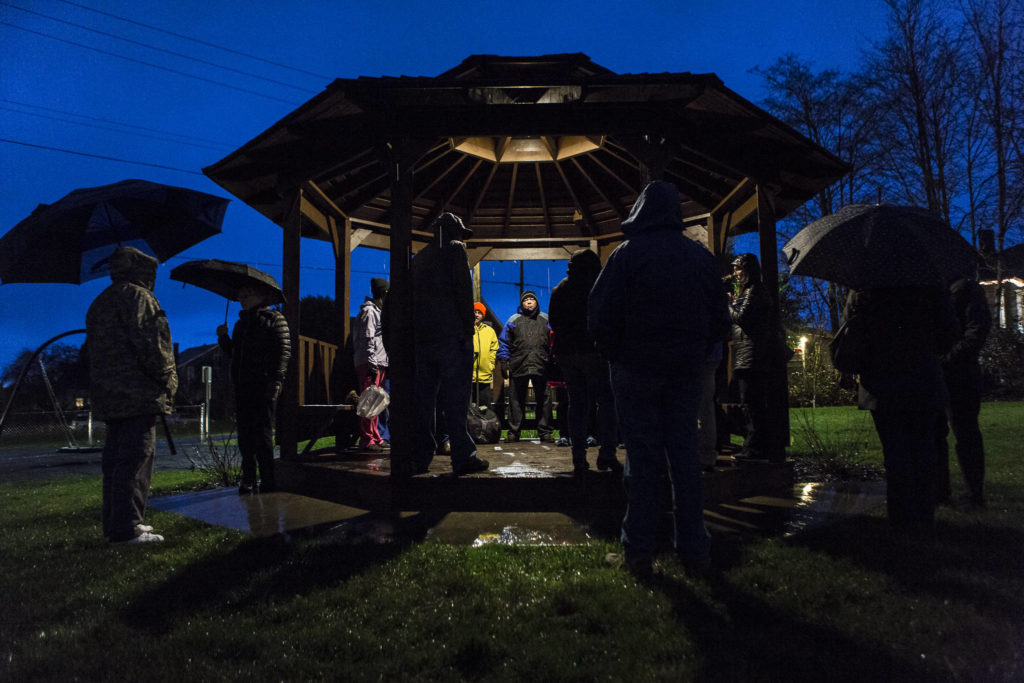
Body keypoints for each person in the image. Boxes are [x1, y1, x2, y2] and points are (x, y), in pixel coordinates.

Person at [589, 180, 730, 576]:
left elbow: (599, 315)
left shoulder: (627, 255)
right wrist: (697, 352)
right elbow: (722, 319)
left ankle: (639, 551)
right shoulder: (699, 258)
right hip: (685, 372)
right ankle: (694, 549)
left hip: (636, 370)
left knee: (643, 459)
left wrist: (615, 352)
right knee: (684, 456)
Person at [844, 286, 958, 531]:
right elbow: (949, 333)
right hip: (922, 377)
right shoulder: (929, 288)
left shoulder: (865, 288)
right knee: (924, 448)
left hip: (882, 381)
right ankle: (924, 515)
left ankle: (901, 517)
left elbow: (851, 330)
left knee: (895, 452)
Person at [86, 246, 177, 543]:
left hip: (110, 396)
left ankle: (117, 525)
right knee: (136, 460)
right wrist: (168, 381)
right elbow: (154, 346)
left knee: (114, 463)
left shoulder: (100, 302)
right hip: (138, 395)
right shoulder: (140, 298)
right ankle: (127, 530)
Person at [409, 213, 490, 475]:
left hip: (424, 340)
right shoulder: (455, 251)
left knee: (424, 403)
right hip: (451, 338)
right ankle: (462, 456)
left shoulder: (421, 256)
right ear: (453, 231)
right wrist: (467, 333)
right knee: (455, 401)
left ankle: (420, 456)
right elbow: (463, 291)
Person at [548, 248, 621, 475]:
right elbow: (607, 317)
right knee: (606, 402)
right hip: (593, 352)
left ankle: (579, 457)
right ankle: (607, 453)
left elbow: (554, 322)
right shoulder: (597, 286)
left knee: (576, 404)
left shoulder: (559, 289)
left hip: (567, 354)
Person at [217, 285, 291, 493]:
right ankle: (248, 477)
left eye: (247, 293)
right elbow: (236, 353)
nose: (242, 297)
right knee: (245, 435)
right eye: (241, 294)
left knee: (263, 433)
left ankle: (268, 479)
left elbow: (283, 351)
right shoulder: (241, 324)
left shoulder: (275, 319)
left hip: (263, 384)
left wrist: (276, 381)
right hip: (243, 385)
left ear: (260, 295)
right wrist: (224, 340)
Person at [938, 278, 991, 508]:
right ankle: (941, 491)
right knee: (937, 434)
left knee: (965, 433)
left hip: (959, 375)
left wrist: (948, 359)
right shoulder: (940, 289)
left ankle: (973, 494)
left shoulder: (965, 289)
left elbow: (976, 331)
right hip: (943, 372)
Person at [728, 253, 776, 462]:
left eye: (738, 269)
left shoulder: (755, 291)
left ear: (747, 270)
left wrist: (728, 305)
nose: (735, 273)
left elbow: (741, 317)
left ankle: (755, 449)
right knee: (750, 402)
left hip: (751, 356)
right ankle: (756, 446)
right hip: (750, 355)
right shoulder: (753, 292)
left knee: (751, 403)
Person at [497, 291, 554, 442]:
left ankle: (545, 432)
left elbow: (553, 340)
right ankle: (514, 432)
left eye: (532, 299)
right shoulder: (513, 320)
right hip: (519, 364)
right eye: (526, 300)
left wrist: (553, 360)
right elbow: (504, 342)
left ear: (536, 302)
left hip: (541, 364)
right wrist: (503, 360)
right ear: (521, 303)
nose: (529, 301)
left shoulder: (546, 319)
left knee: (545, 399)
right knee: (515, 400)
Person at [352, 278, 390, 452]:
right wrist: (372, 363)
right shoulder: (370, 311)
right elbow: (368, 338)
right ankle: (367, 439)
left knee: (376, 401)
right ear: (384, 293)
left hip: (379, 362)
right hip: (370, 362)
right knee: (368, 400)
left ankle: (375, 436)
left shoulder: (378, 311)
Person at [472, 302, 499, 408]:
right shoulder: (467, 329)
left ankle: (485, 424)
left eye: (479, 313)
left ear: (483, 315)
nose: (476, 315)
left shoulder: (489, 331)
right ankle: (471, 425)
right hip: (469, 376)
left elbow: (494, 349)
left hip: (484, 376)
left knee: (484, 406)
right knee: (470, 406)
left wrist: (490, 365)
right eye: (474, 312)